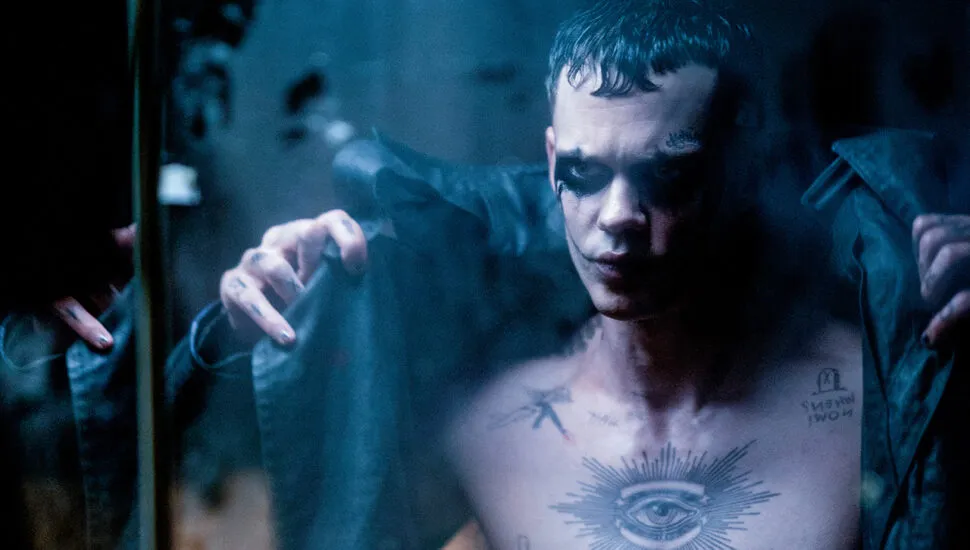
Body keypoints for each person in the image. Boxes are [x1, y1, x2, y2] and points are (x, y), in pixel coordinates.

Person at [213, 1, 969, 548]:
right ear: (551, 162)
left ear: (743, 168)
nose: (618, 217)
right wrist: (256, 321)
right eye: (583, 173)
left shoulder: (878, 392)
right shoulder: (481, 421)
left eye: (666, 176)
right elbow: (266, 478)